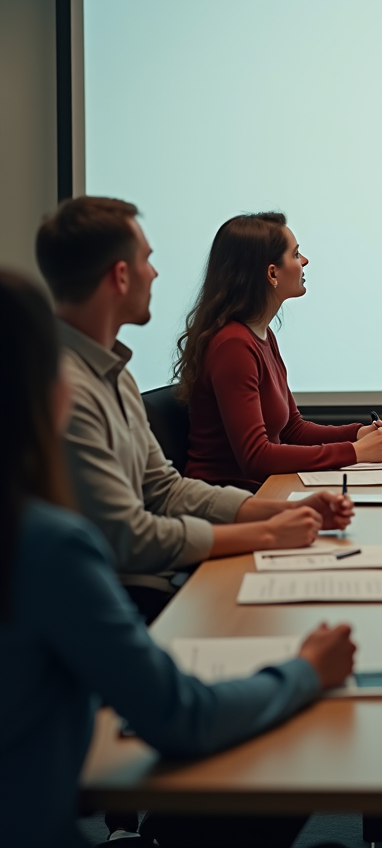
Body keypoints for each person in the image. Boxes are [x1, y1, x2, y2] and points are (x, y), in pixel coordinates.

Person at [0, 271, 358, 848]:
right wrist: (307, 670)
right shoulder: (45, 546)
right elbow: (180, 715)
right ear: (52, 392)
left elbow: (167, 487)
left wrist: (263, 516)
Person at [35, 197, 354, 623]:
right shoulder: (67, 391)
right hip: (107, 604)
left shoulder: (115, 375)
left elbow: (167, 490)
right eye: (147, 260)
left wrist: (282, 510)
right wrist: (262, 531)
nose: (156, 272)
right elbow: (132, 538)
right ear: (121, 275)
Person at [176, 212, 382, 490]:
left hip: (263, 489)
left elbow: (292, 429)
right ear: (272, 273)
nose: (304, 261)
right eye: (295, 255)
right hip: (230, 499)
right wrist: (355, 452)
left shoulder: (261, 334)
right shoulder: (233, 345)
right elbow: (257, 457)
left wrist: (358, 433)